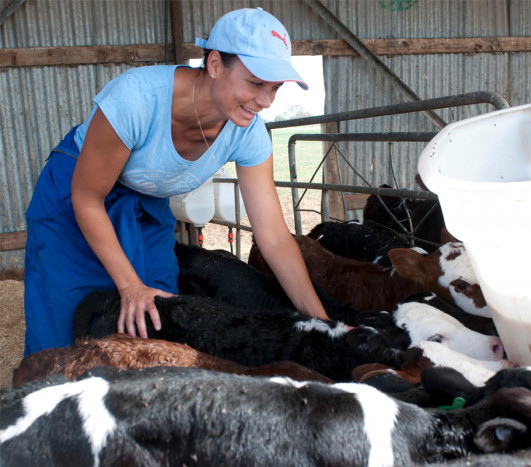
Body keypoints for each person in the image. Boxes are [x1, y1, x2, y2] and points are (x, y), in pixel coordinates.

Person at [23, 7, 330, 355]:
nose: (265, 101)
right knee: (67, 318)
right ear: (215, 64)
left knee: (159, 315)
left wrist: (325, 325)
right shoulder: (136, 98)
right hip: (77, 192)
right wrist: (130, 286)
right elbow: (87, 199)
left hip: (146, 201)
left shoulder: (248, 134)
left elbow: (273, 236)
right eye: (255, 83)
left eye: (275, 87)